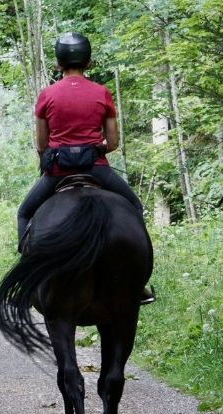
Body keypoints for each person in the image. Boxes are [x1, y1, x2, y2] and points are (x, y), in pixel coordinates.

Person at [18, 32, 154, 305]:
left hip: (57, 171)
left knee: (25, 213)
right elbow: (113, 142)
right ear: (89, 62)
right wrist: (94, 149)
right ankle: (138, 283)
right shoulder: (102, 93)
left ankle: (29, 276)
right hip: (96, 168)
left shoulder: (47, 95)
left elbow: (42, 144)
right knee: (134, 207)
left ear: (58, 63)